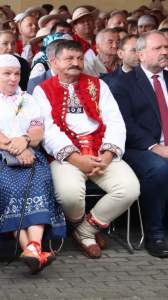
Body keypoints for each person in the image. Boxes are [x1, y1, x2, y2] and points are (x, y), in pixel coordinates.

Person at [33, 40, 140, 259]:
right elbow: (48, 131)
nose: (76, 63)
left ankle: (85, 231)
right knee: (69, 196)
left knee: (129, 189)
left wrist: (108, 154)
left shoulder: (98, 85)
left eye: (79, 58)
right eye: (69, 59)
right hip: (67, 157)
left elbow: (115, 122)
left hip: (102, 152)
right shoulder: (42, 90)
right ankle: (85, 229)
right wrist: (76, 158)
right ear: (54, 62)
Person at [0, 54, 66, 274]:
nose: (13, 79)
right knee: (11, 188)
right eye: (7, 74)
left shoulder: (28, 98)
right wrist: (16, 147)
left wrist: (27, 141)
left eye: (17, 74)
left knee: (39, 180)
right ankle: (31, 248)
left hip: (28, 152)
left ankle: (33, 248)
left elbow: (38, 130)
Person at [110, 31, 168, 258]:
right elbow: (126, 124)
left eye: (166, 47)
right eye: (158, 48)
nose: (165, 51)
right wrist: (155, 147)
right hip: (139, 147)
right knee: (159, 168)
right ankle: (155, 234)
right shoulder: (122, 83)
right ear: (140, 54)